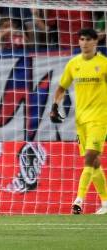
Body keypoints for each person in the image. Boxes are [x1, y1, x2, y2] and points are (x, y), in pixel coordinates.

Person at [50, 28, 107, 215]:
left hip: (100, 119)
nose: (84, 42)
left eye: (88, 39)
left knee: (90, 157)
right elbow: (61, 88)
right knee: (95, 162)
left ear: (95, 42)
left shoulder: (104, 64)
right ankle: (106, 202)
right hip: (80, 120)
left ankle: (78, 200)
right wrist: (54, 107)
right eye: (81, 39)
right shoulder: (73, 64)